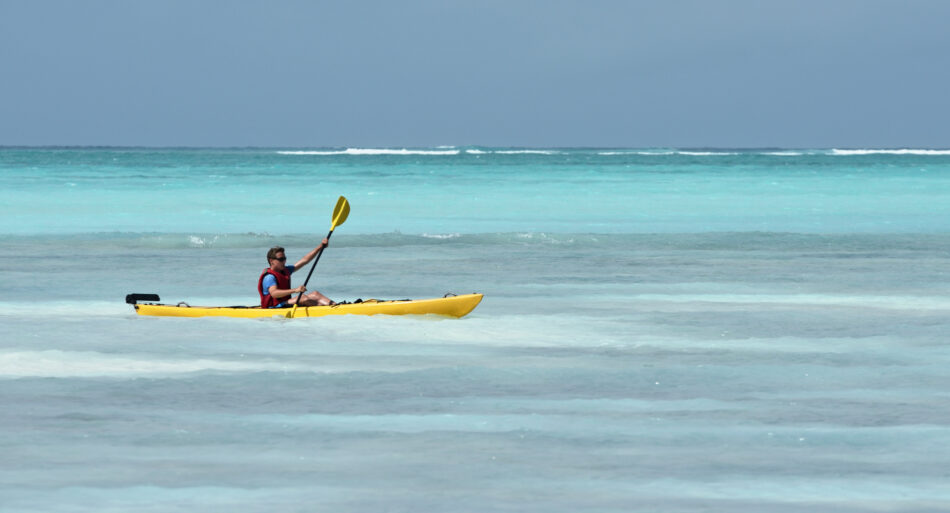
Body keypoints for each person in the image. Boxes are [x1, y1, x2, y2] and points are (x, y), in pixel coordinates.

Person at [257, 240, 335, 308]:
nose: (284, 261)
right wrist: (296, 290)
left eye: (284, 258)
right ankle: (326, 309)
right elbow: (274, 293)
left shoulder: (285, 270)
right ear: (271, 261)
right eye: (281, 259)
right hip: (274, 307)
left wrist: (320, 247)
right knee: (304, 298)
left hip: (285, 302)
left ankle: (336, 305)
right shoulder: (269, 277)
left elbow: (304, 260)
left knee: (315, 294)